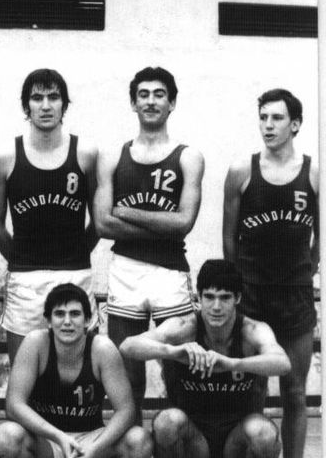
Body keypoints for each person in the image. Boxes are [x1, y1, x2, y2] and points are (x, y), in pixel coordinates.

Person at [93, 66, 204, 418]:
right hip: (126, 270)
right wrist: (161, 225)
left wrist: (127, 211)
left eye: (159, 94)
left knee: (179, 372)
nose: (151, 101)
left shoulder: (188, 156)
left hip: (170, 272)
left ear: (172, 103)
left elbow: (183, 223)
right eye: (144, 94)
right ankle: (134, 445)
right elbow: (101, 222)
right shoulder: (113, 156)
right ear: (132, 103)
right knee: (127, 370)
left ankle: (177, 443)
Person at [221, 88, 317, 458]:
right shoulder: (242, 171)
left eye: (276, 118)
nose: (268, 125)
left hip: (295, 295)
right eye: (263, 117)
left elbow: (319, 242)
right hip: (253, 295)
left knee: (294, 390)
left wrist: (303, 272)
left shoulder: (314, 173)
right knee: (251, 390)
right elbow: (229, 239)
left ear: (295, 124)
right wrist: (239, 287)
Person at [120, 260, 290, 458]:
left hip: (236, 439)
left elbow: (283, 363)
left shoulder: (252, 330)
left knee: (264, 433)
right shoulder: (184, 328)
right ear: (198, 297)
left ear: (238, 298)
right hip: (193, 439)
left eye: (225, 297)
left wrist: (231, 363)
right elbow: (128, 346)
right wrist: (173, 352)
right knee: (167, 422)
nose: (216, 306)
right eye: (209, 297)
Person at [0, 68, 99, 364]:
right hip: (26, 278)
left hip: (75, 272)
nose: (46, 105)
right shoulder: (4, 156)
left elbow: (98, 221)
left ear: (65, 104)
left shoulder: (86, 152)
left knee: (80, 369)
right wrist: (22, 258)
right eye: (37, 98)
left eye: (53, 97)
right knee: (25, 370)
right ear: (26, 106)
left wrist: (74, 253)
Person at [0, 284, 150, 458]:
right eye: (59, 314)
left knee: (138, 439)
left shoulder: (102, 349)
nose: (67, 321)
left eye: (75, 314)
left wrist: (95, 449)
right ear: (49, 321)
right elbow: (14, 405)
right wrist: (58, 436)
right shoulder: (35, 343)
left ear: (88, 321)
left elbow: (126, 410)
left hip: (91, 438)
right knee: (6, 435)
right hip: (47, 439)